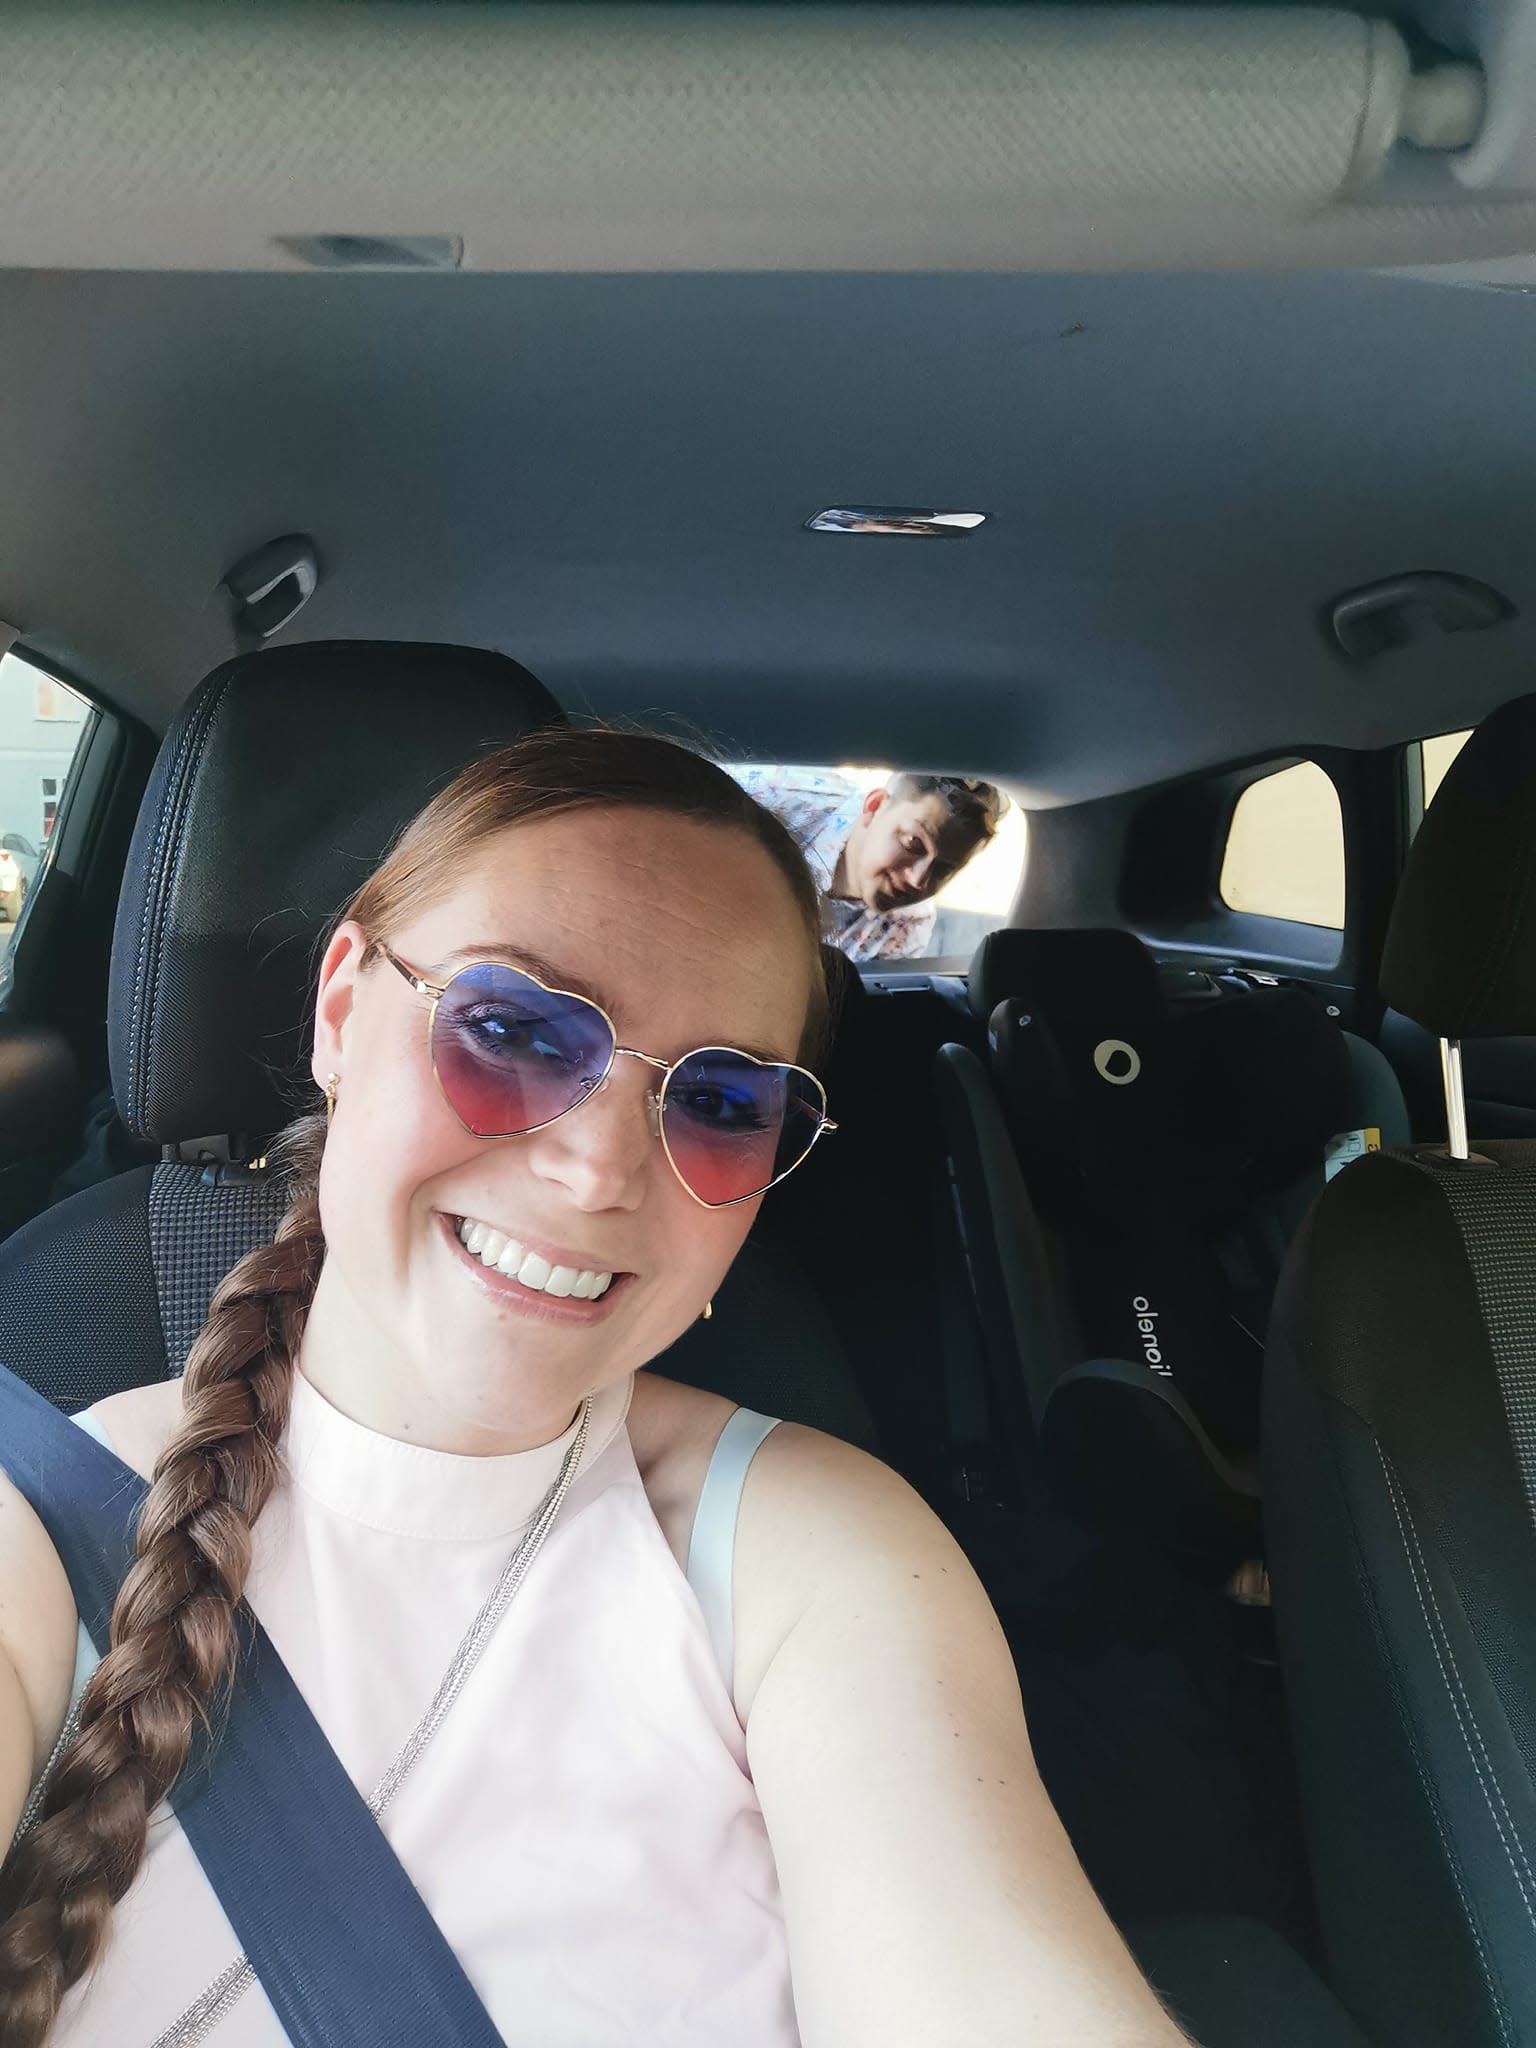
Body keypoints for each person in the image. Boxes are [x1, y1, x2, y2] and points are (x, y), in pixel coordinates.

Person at [0, 729, 1184, 2046]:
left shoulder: (812, 1556)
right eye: (511, 1028)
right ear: (341, 1012)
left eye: (723, 1103)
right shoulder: (32, 1525)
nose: (601, 1171)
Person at [732, 764, 1006, 962]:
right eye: (913, 843)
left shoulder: (908, 926)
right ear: (874, 807)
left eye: (944, 869)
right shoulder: (768, 798)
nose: (917, 880)